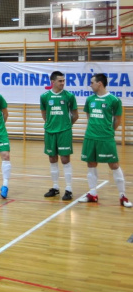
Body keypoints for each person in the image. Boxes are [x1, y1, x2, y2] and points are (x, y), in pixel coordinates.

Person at [79, 73, 132, 207]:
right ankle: (92, 194)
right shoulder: (90, 99)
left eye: (92, 82)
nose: (90, 85)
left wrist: (107, 132)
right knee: (91, 164)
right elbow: (89, 117)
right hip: (90, 137)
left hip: (106, 138)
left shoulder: (114, 100)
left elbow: (118, 120)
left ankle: (123, 196)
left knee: (114, 165)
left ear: (99, 83)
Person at [40, 71, 78, 201]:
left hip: (64, 132)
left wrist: (66, 125)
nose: (63, 83)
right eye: (60, 81)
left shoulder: (69, 96)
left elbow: (75, 115)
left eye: (63, 81)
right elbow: (44, 114)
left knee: (65, 159)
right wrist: (51, 124)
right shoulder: (44, 96)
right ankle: (55, 187)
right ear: (53, 82)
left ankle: (69, 189)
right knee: (52, 159)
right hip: (50, 132)